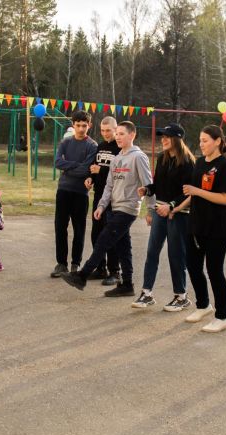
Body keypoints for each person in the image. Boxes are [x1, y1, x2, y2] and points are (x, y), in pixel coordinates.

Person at [61, 121, 152, 297]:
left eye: (121, 134)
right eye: (116, 134)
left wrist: (150, 210)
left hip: (128, 207)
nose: (117, 137)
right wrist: (101, 206)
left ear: (132, 135)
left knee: (103, 240)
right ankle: (127, 285)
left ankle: (82, 275)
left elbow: (149, 184)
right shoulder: (117, 159)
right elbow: (109, 186)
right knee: (124, 247)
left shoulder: (138, 157)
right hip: (114, 207)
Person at [133, 123, 195, 312]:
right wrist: (147, 190)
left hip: (179, 215)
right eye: (162, 137)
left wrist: (171, 207)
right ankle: (146, 293)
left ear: (177, 139)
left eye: (167, 137)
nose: (163, 140)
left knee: (176, 255)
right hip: (160, 211)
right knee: (152, 252)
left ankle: (181, 296)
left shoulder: (188, 163)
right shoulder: (162, 159)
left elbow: (188, 194)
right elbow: (158, 185)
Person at [180, 125, 226, 333]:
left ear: (218, 141)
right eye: (200, 140)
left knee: (214, 271)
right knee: (193, 267)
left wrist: (197, 191)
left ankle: (223, 316)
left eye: (205, 140)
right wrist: (177, 208)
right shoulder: (200, 162)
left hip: (217, 228)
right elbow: (193, 194)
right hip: (196, 225)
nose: (201, 144)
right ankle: (203, 305)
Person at [50, 110, 97, 277]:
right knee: (60, 227)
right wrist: (78, 166)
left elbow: (87, 168)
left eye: (84, 125)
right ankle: (61, 263)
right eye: (78, 125)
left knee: (79, 228)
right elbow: (57, 162)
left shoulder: (92, 146)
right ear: (73, 125)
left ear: (89, 126)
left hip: (81, 193)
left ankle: (75, 263)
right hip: (64, 190)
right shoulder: (65, 142)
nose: (81, 128)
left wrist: (68, 167)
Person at [84, 116, 122, 285]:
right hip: (99, 195)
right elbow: (94, 166)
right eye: (102, 130)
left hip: (114, 197)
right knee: (96, 233)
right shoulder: (100, 146)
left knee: (111, 234)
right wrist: (90, 177)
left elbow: (120, 173)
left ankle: (115, 272)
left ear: (115, 129)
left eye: (109, 130)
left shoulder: (120, 148)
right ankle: (101, 268)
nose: (105, 134)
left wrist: (101, 170)